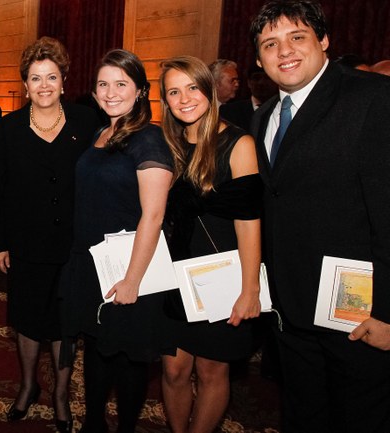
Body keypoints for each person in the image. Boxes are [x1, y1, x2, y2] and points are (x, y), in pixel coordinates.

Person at [248, 1, 390, 432]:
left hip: (357, 316)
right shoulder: (263, 118)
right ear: (259, 60)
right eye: (270, 44)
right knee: (303, 416)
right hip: (290, 313)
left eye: (297, 37)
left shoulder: (372, 98)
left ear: (324, 40)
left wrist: (387, 313)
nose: (284, 51)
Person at [60, 49, 173, 433]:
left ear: (140, 90)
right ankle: (93, 424)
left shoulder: (149, 139)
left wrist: (132, 280)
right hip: (94, 265)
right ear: (93, 92)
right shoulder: (101, 133)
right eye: (103, 84)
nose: (111, 93)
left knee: (128, 359)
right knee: (96, 350)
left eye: (121, 84)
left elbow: (153, 216)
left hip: (130, 269)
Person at [0, 36, 99, 433]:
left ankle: (61, 395)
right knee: (27, 319)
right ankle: (27, 385)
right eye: (35, 78)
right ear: (25, 85)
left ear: (64, 81)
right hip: (25, 245)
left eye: (51, 77)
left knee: (64, 322)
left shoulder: (86, 122)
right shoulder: (7, 128)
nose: (44, 85)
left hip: (74, 245)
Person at [158, 55, 262, 433]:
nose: (184, 98)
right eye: (174, 92)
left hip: (220, 275)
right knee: (173, 369)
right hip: (173, 275)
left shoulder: (238, 143)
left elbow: (249, 224)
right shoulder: (166, 143)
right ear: (165, 100)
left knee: (211, 369)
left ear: (209, 90)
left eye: (192, 88)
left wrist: (250, 290)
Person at [219, 65, 277, 131]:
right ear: (248, 83)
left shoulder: (281, 110)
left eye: (267, 78)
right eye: (256, 78)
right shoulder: (229, 111)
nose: (261, 82)